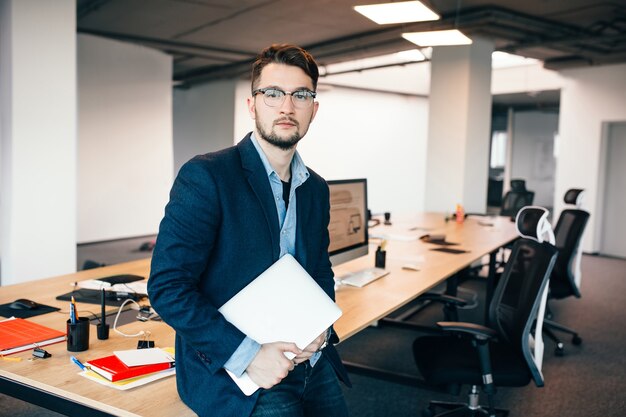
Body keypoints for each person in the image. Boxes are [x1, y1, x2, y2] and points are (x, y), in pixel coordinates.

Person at [148, 44, 351, 417]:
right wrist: (250, 356)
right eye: (273, 93)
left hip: (306, 356)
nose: (287, 107)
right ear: (252, 104)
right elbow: (167, 287)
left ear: (314, 109)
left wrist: (321, 327)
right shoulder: (207, 176)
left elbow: (320, 270)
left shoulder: (316, 189)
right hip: (236, 368)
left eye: (300, 95)